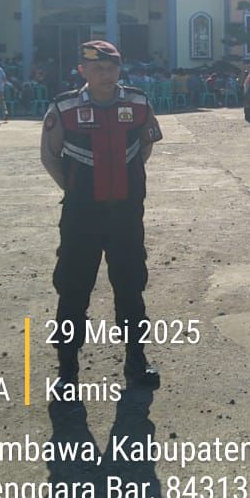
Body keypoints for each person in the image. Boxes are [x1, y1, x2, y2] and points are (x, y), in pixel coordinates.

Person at [39, 40, 164, 395]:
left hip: (126, 214)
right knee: (73, 288)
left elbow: (145, 146)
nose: (105, 75)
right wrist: (76, 189)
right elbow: (50, 156)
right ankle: (67, 370)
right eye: (97, 69)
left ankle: (136, 360)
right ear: (83, 70)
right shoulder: (64, 107)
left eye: (111, 68)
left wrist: (126, 179)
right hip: (82, 217)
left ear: (119, 69)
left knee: (131, 285)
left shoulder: (137, 103)